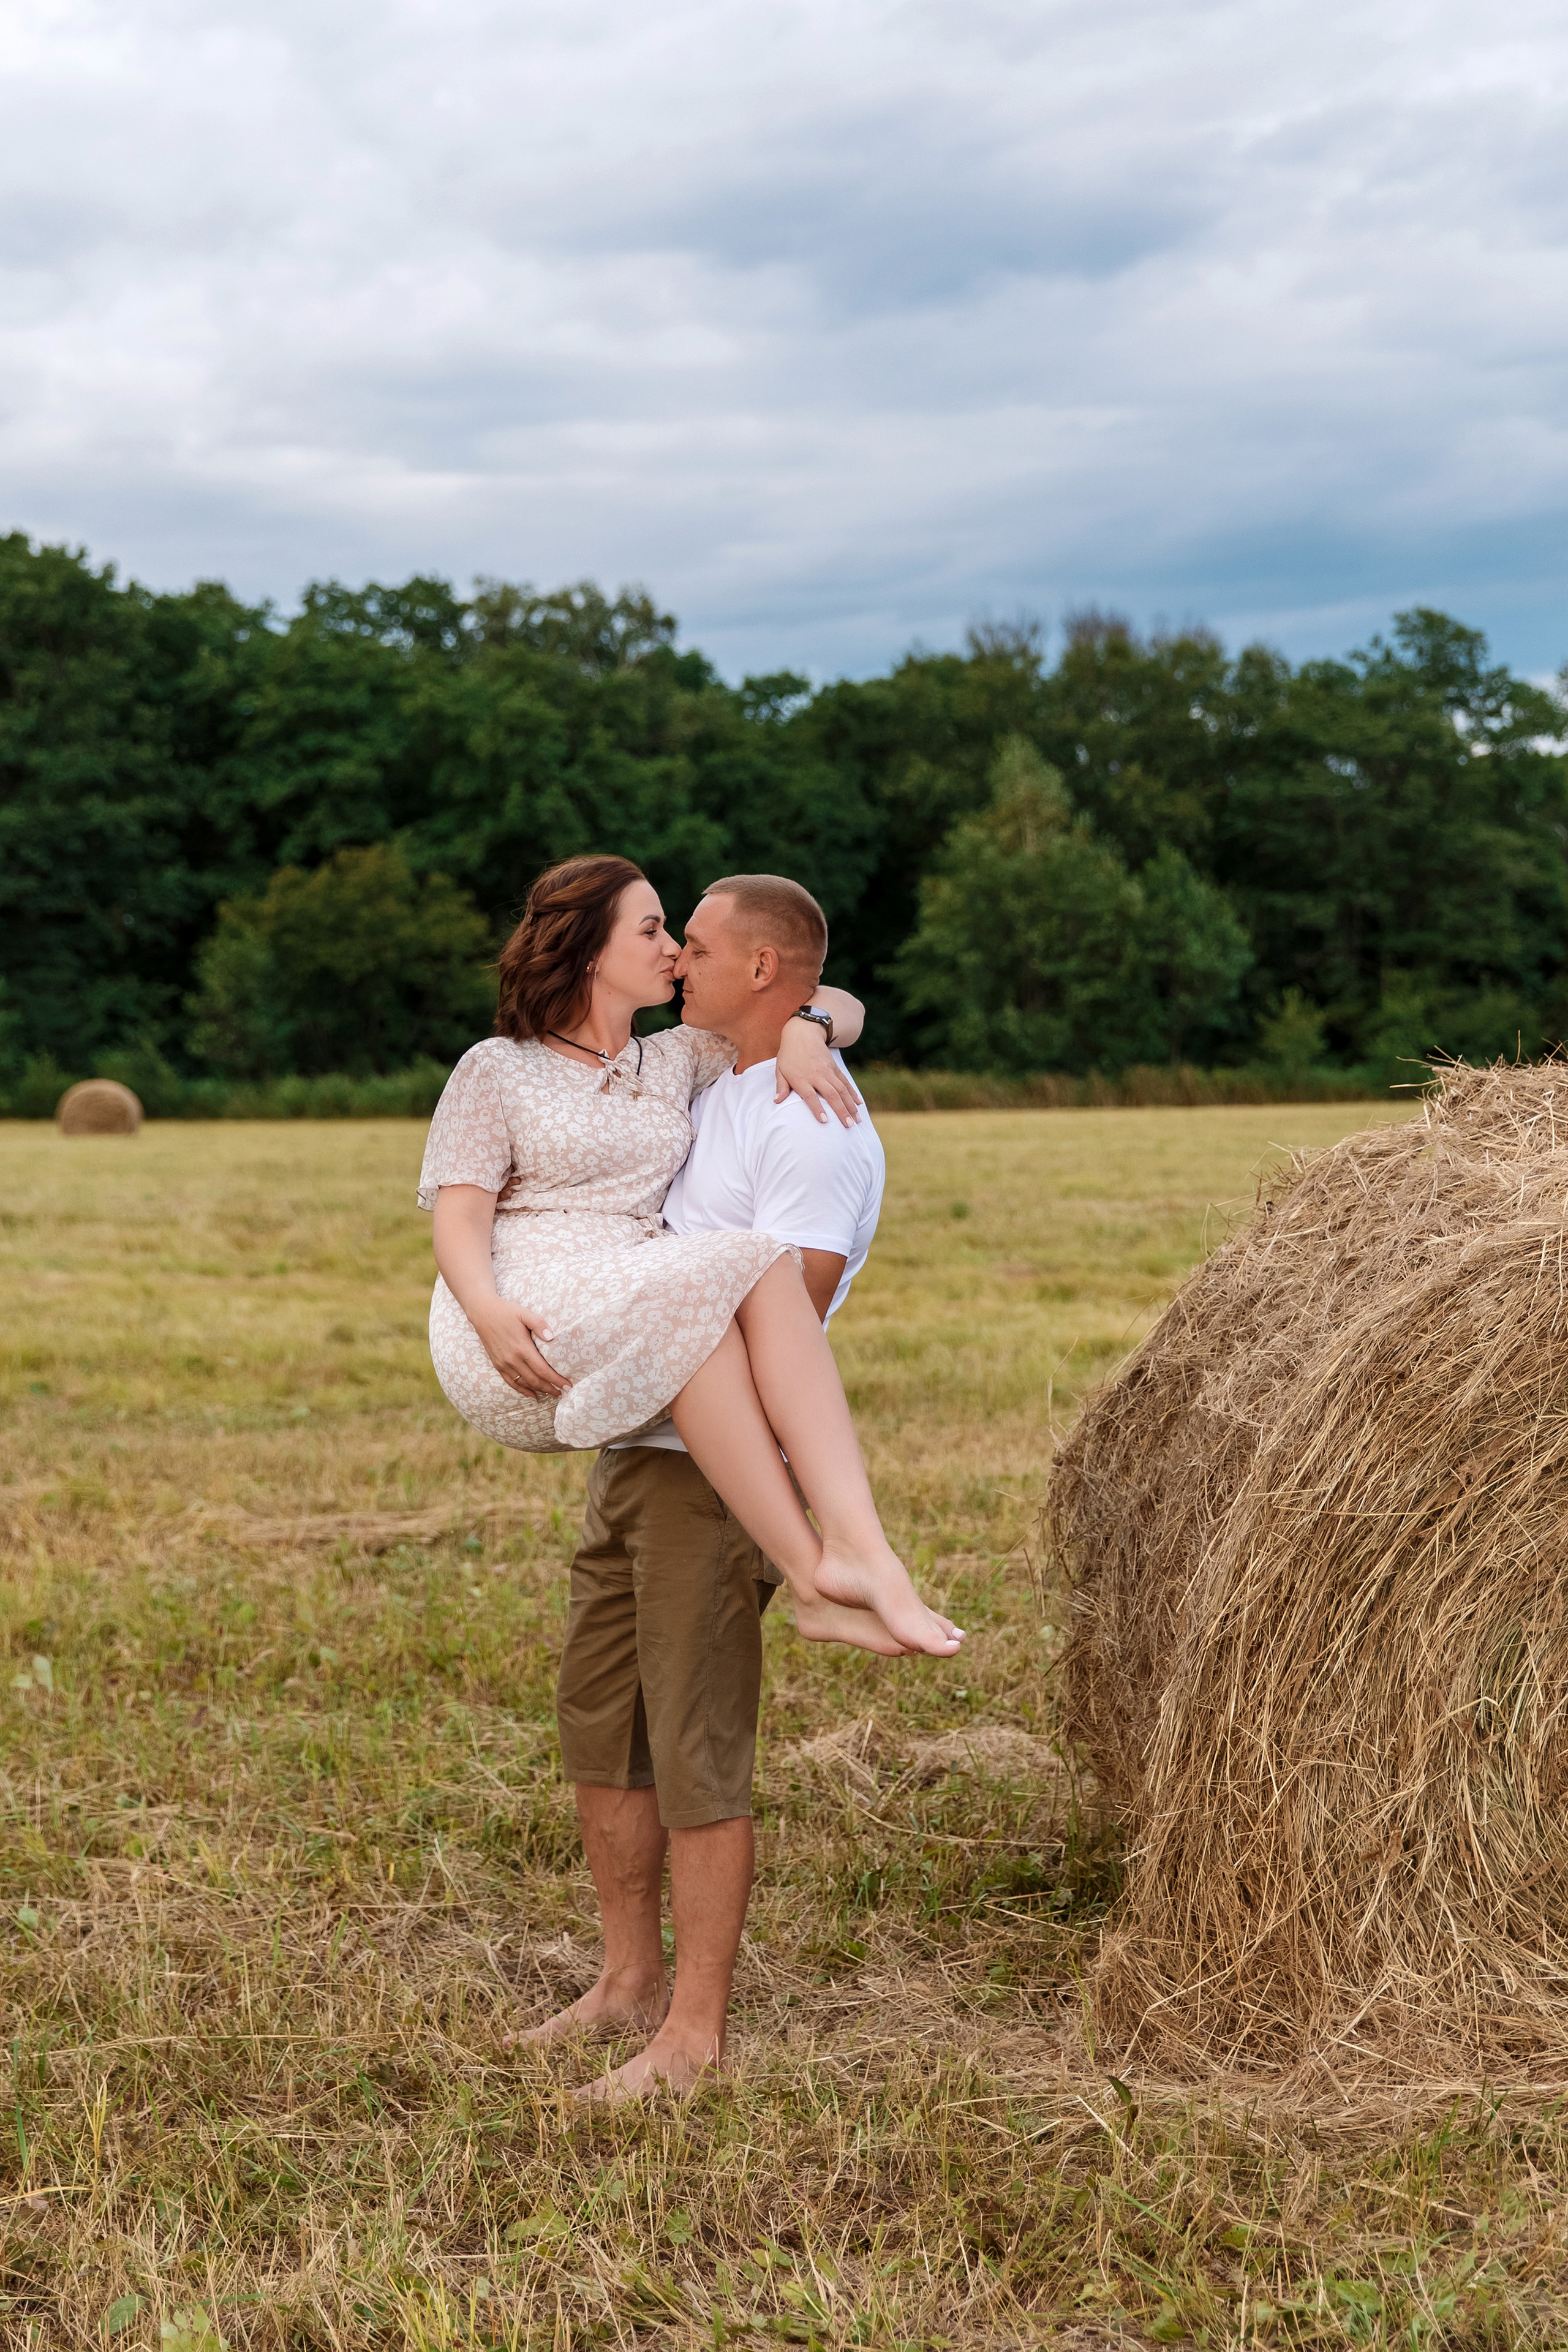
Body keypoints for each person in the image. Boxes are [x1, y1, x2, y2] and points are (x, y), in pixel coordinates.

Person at [515, 873, 891, 2097]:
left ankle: (695, 2034)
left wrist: (810, 1037)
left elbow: (793, 1304)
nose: (679, 959)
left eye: (703, 946)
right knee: (601, 1725)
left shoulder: (809, 1125)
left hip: (719, 1479)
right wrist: (812, 1019)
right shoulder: (730, 1075)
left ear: (760, 968)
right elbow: (836, 989)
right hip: (638, 1451)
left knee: (693, 1746)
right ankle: (626, 1980)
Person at [419, 854, 961, 1661]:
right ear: (592, 951)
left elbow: (824, 994)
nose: (673, 949)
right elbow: (459, 1217)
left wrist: (808, 1033)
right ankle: (851, 1560)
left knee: (734, 1281)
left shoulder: (676, 1057)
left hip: (629, 1288)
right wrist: (488, 1310)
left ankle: (827, 1577)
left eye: (679, 934)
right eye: (653, 930)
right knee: (738, 1266)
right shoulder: (497, 1067)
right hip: (514, 1311)